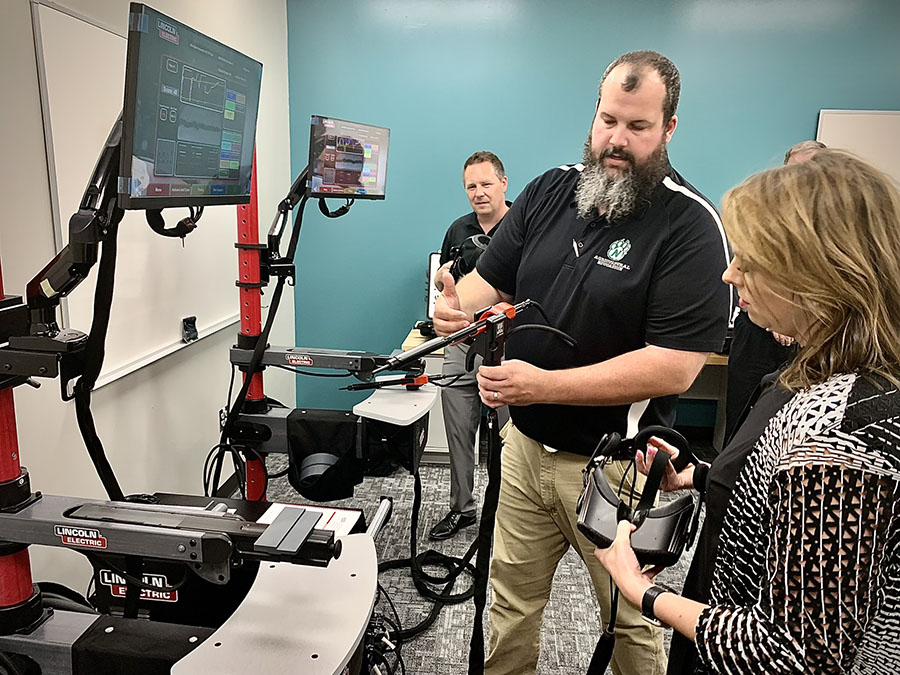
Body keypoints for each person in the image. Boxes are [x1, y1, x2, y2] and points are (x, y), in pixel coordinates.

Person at [433, 50, 731, 675]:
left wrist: (544, 387)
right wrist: (456, 309)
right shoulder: (547, 191)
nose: (615, 142)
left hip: (616, 468)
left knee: (628, 624)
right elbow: (490, 284)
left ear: (669, 128)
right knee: (509, 607)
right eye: (607, 121)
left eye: (637, 127)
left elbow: (675, 367)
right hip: (524, 450)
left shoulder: (690, 225)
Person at [597, 149, 900, 673]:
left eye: (750, 261)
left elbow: (795, 651)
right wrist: (703, 477)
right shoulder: (847, 375)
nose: (729, 276)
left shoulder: (837, 442)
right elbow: (802, 510)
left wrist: (643, 592)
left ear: (817, 273)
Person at [429, 151, 512, 541]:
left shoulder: (524, 226)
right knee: (460, 431)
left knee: (509, 441)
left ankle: (505, 513)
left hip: (509, 347)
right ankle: (462, 508)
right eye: (471, 186)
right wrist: (443, 280)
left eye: (486, 184)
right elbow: (446, 285)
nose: (479, 193)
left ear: (504, 184)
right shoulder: (457, 230)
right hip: (462, 344)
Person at [723, 140, 826, 442]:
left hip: (804, 340)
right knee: (744, 422)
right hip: (758, 334)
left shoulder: (830, 234)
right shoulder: (764, 219)